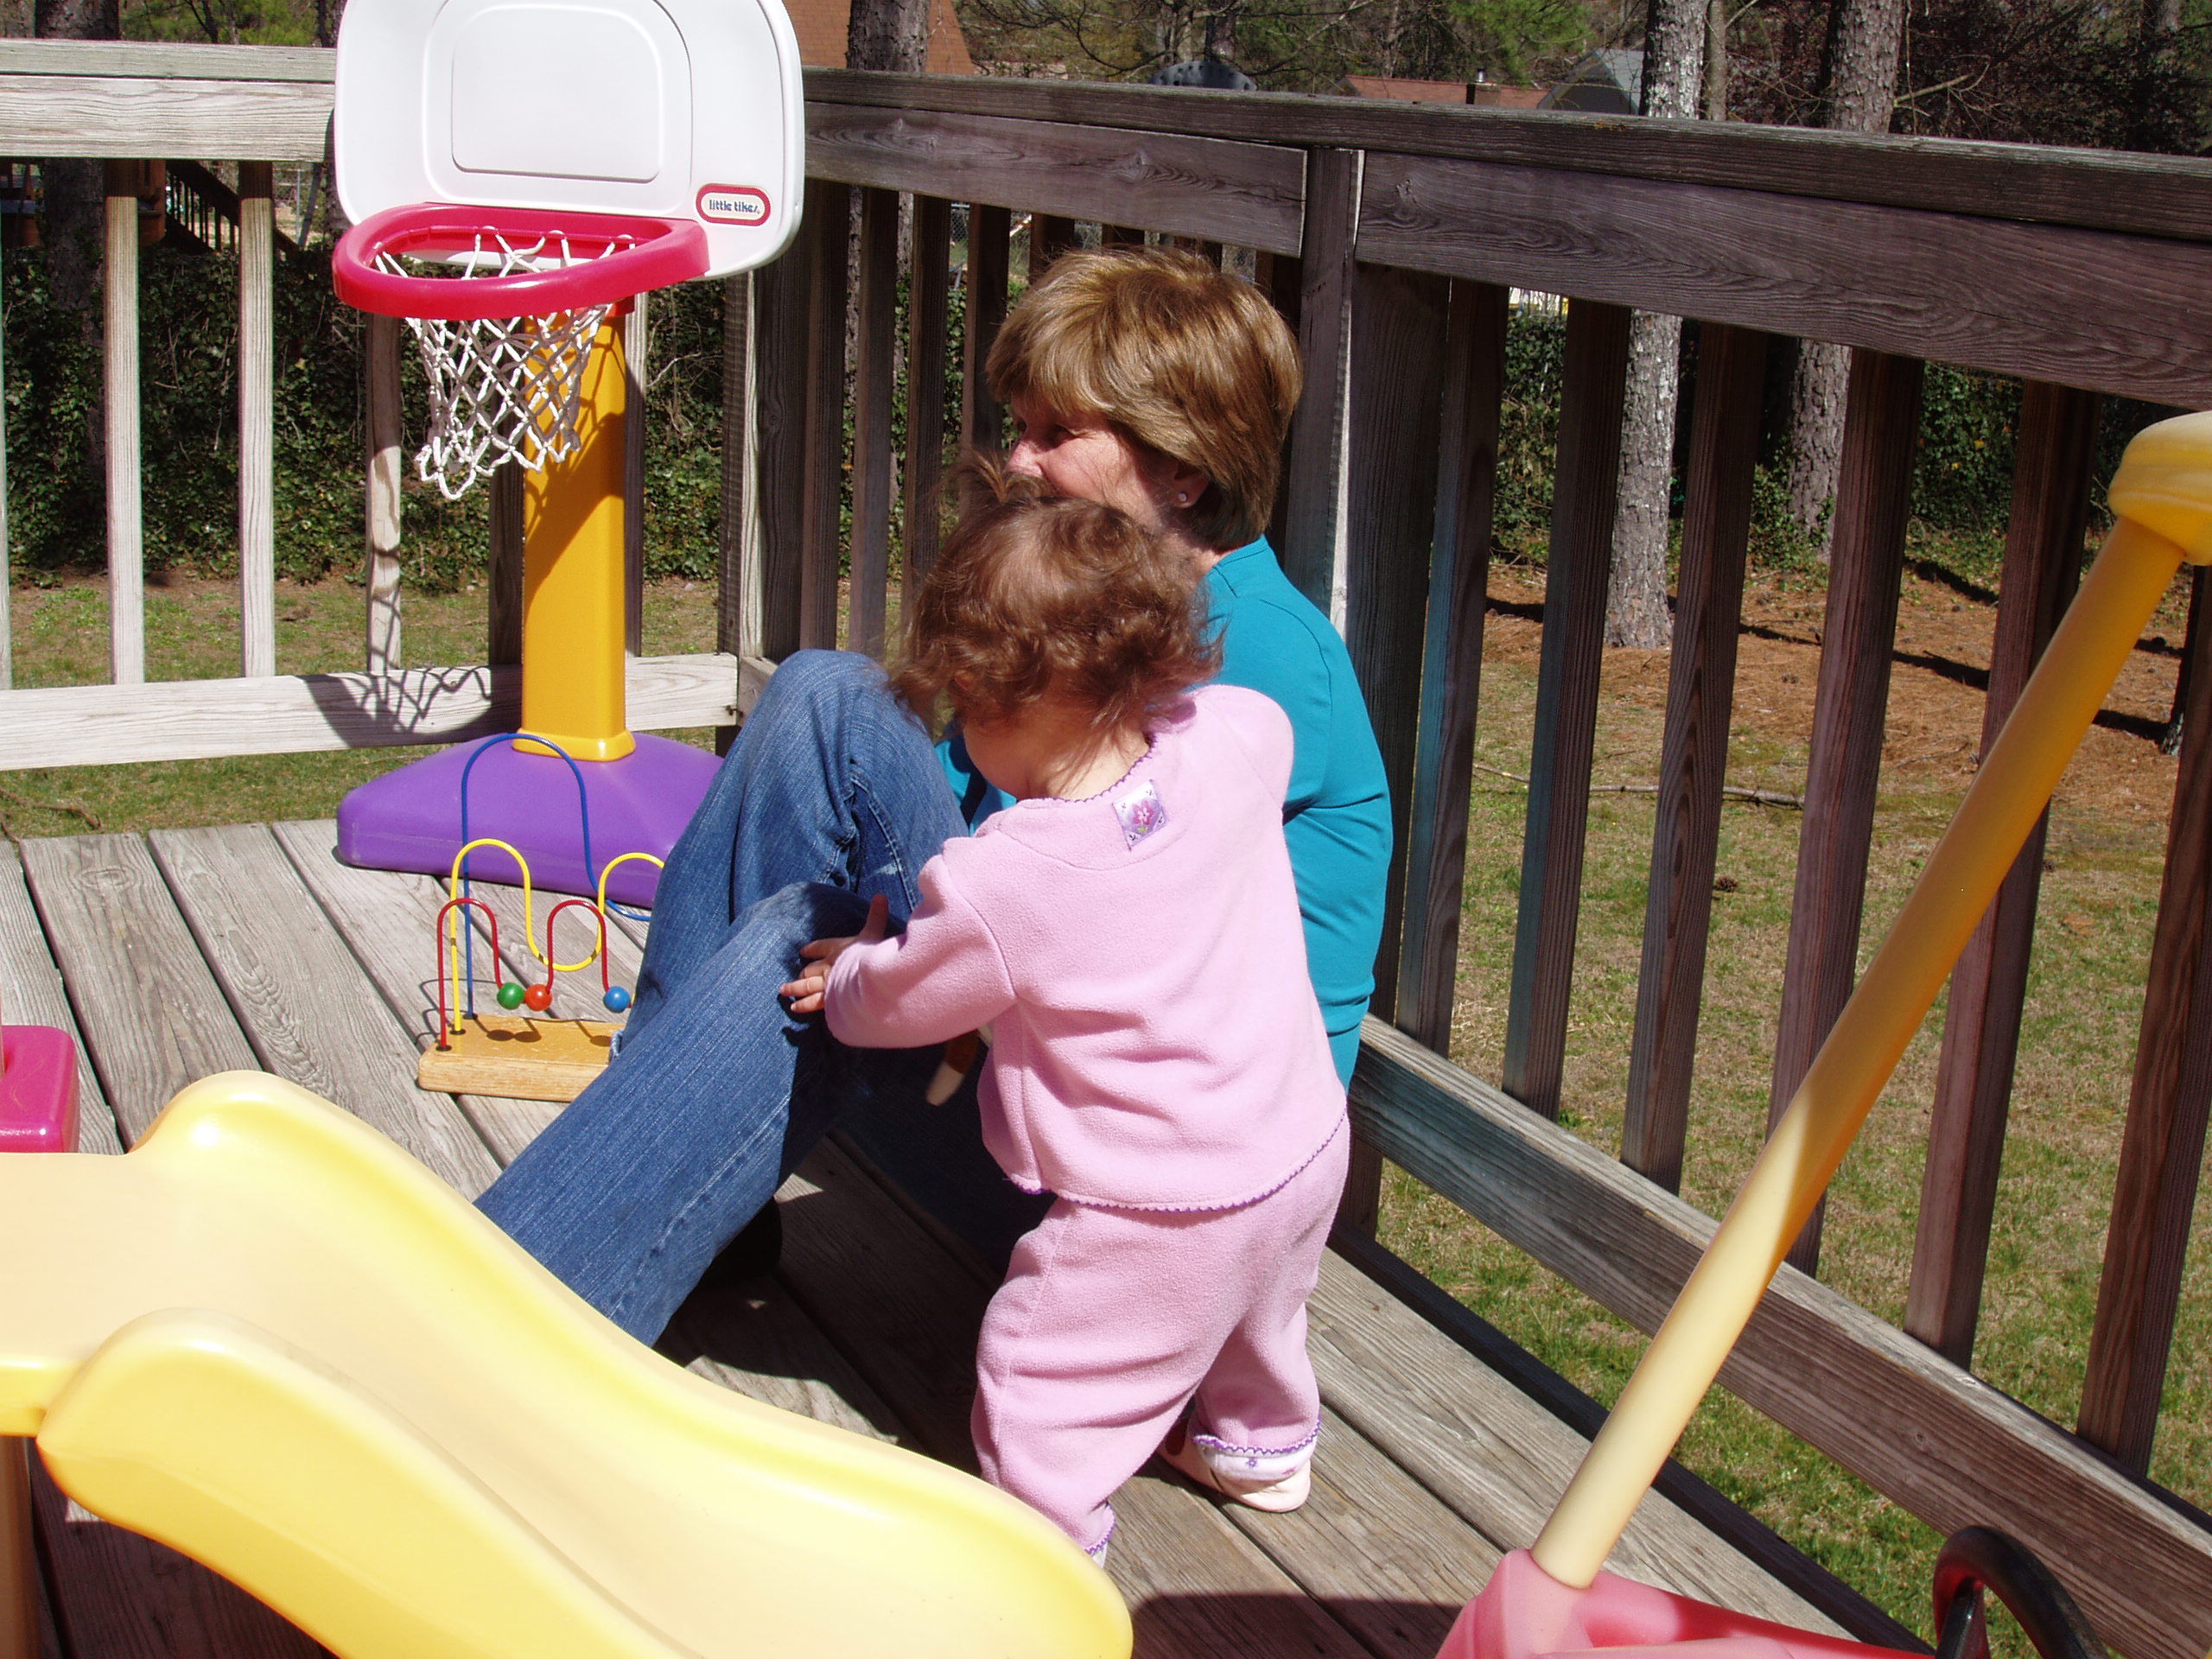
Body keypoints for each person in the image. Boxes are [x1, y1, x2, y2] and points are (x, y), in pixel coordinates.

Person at [476, 246, 1391, 1349]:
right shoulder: (1098, 612)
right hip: (1043, 1095)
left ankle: (508, 1325)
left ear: (1182, 468)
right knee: (823, 695)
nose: (1020, 460)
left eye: (1058, 433)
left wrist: (873, 961)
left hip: (1147, 1202)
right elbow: (980, 841)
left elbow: (1078, 922)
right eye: (1021, 426)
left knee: (800, 932)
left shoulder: (1250, 659)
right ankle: (640, 1201)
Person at [781, 474, 1349, 1560]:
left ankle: (1042, 1558)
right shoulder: (1228, 739)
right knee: (1262, 1313)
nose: (959, 737)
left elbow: (904, 999)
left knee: (1042, 1375)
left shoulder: (1011, 877)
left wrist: (849, 975)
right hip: (1302, 1145)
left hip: (1153, 1206)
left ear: (999, 699)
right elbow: (1259, 727)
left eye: (961, 710)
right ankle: (1259, 1450)